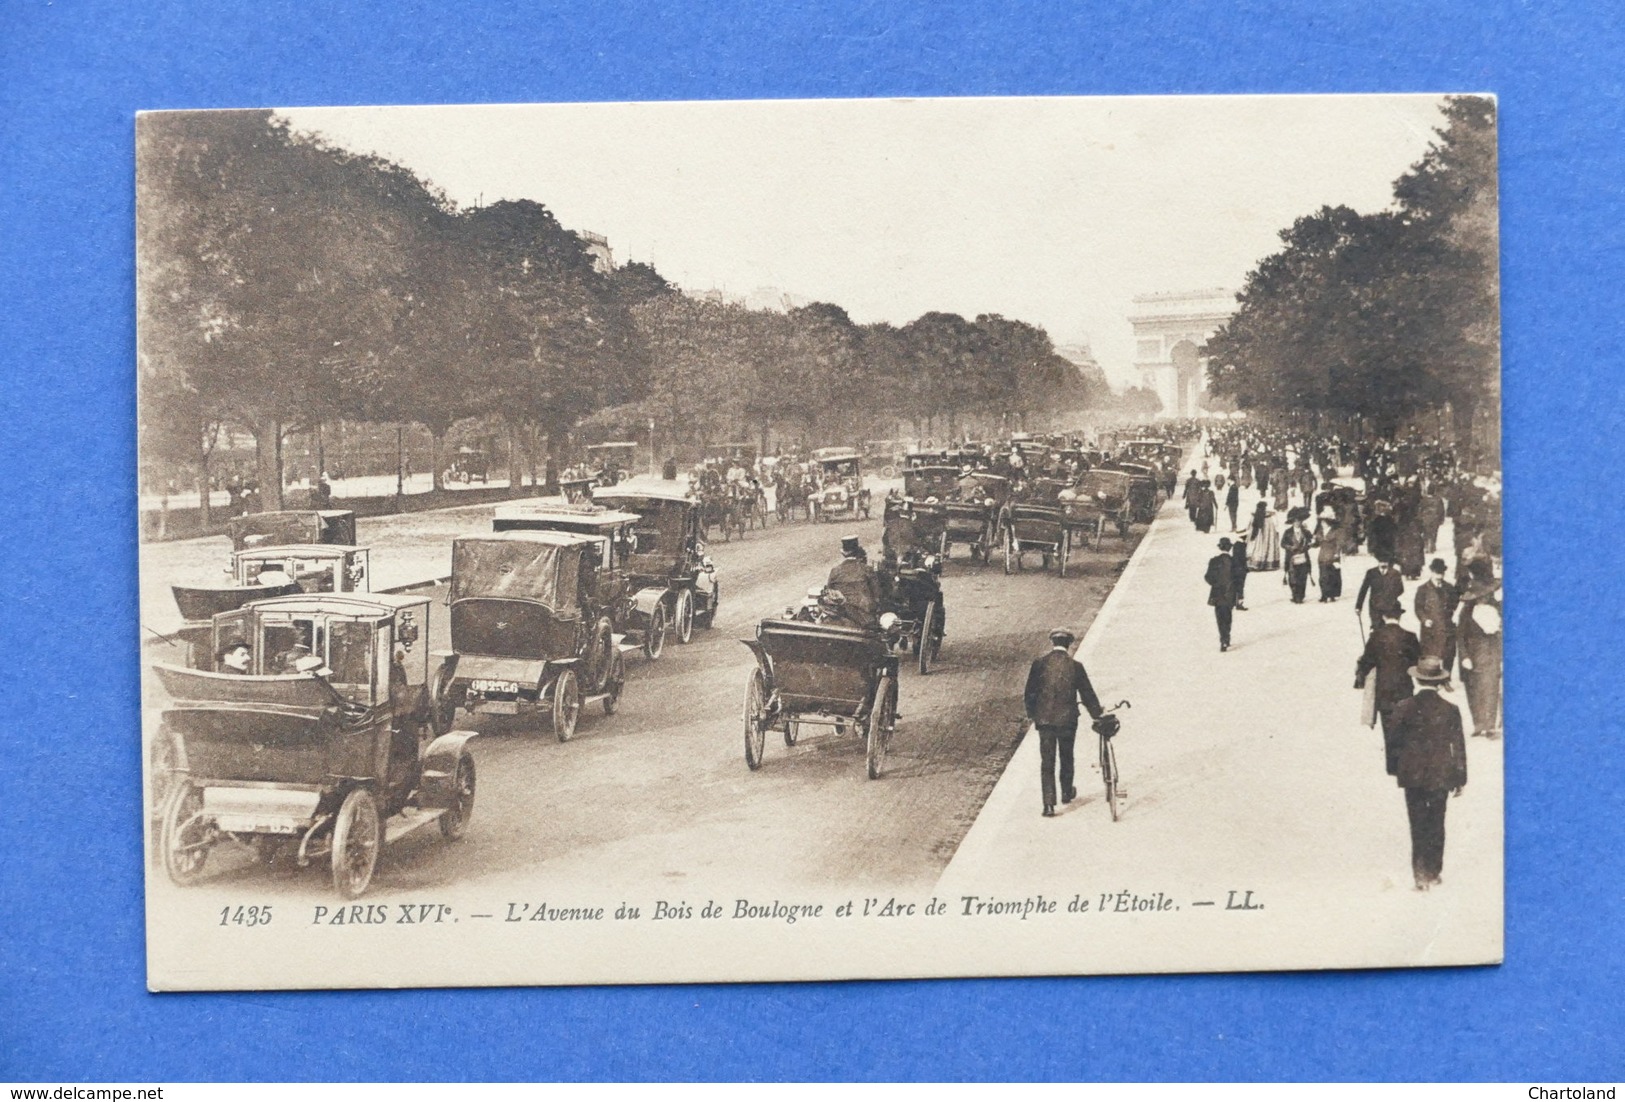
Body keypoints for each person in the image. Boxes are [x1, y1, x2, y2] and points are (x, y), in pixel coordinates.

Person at [1386, 656, 1468, 890]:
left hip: (1412, 776)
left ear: (1417, 680)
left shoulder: (1403, 708)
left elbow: (1394, 744)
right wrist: (1460, 778)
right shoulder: (1450, 710)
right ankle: (1434, 871)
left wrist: (1395, 769)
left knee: (1418, 822)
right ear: (1439, 682)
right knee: (1437, 821)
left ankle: (1420, 875)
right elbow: (1458, 747)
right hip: (1441, 774)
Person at [1023, 627, 1105, 817]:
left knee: (1047, 761)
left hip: (1045, 721)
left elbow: (1030, 693)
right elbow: (1087, 694)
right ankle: (1066, 793)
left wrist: (1034, 715)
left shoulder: (1039, 664)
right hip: (1067, 720)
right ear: (1069, 644)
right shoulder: (1075, 666)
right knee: (1066, 756)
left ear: (1052, 643)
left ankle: (1048, 805)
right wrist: (1097, 714)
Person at [1355, 609, 1421, 775]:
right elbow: (1417, 662)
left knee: (1388, 725)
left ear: (1384, 617)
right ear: (1399, 616)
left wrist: (1361, 672)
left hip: (1384, 689)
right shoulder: (1410, 636)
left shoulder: (1376, 637)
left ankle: (1393, 766)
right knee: (1405, 723)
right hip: (1405, 687)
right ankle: (1407, 762)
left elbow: (1367, 661)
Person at [1457, 569, 1503, 739]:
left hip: (1492, 656)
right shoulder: (1466, 613)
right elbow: (1460, 636)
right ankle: (1478, 723)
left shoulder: (1498, 609)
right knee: (1473, 690)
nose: (1483, 598)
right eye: (1480, 596)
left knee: (1490, 689)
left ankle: (1490, 725)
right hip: (1473, 658)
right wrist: (1464, 657)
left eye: (1486, 595)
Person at [1413, 558, 1460, 674]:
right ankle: (1431, 678)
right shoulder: (1423, 589)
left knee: (1449, 654)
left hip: (1447, 626)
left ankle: (1446, 679)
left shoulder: (1449, 588)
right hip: (1431, 628)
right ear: (1432, 572)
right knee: (1431, 655)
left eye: (1441, 573)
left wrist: (1453, 614)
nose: (1439, 576)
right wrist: (1424, 620)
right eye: (1437, 573)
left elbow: (1455, 603)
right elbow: (1418, 608)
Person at [826, 534, 881, 630]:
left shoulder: (835, 570)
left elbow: (829, 591)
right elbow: (877, 594)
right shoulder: (867, 569)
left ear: (843, 553)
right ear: (857, 552)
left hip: (841, 613)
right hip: (865, 616)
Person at [1205, 539, 1238, 652]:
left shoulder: (1214, 561)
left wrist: (1215, 584)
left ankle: (1223, 638)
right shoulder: (1234, 561)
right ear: (1230, 548)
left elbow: (1208, 577)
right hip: (1230, 593)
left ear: (1220, 548)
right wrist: (1239, 594)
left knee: (1219, 617)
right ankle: (1226, 637)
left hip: (1217, 593)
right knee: (1228, 615)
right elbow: (1239, 579)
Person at [1281, 510, 1314, 604]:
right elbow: (1282, 544)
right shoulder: (1287, 532)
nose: (1297, 523)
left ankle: (1301, 595)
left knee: (1303, 576)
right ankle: (1295, 596)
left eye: (1299, 521)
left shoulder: (1306, 532)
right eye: (1295, 521)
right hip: (1291, 558)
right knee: (1292, 577)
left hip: (1303, 557)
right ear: (1292, 522)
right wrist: (1291, 548)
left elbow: (1311, 541)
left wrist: (1306, 547)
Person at [1315, 509, 1343, 601]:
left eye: (1324, 522)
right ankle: (1324, 594)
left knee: (1332, 576)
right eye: (1321, 522)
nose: (1323, 524)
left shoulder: (1335, 532)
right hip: (1322, 556)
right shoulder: (1319, 532)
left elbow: (1339, 544)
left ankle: (1331, 594)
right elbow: (1317, 543)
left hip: (1332, 556)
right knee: (1323, 576)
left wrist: (1337, 553)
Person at [1229, 534, 1250, 611]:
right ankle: (1239, 604)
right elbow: (1240, 558)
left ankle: (1234, 602)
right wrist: (1247, 559)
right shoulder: (1241, 545)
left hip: (1237, 568)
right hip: (1240, 569)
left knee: (1236, 586)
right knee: (1240, 587)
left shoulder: (1236, 545)